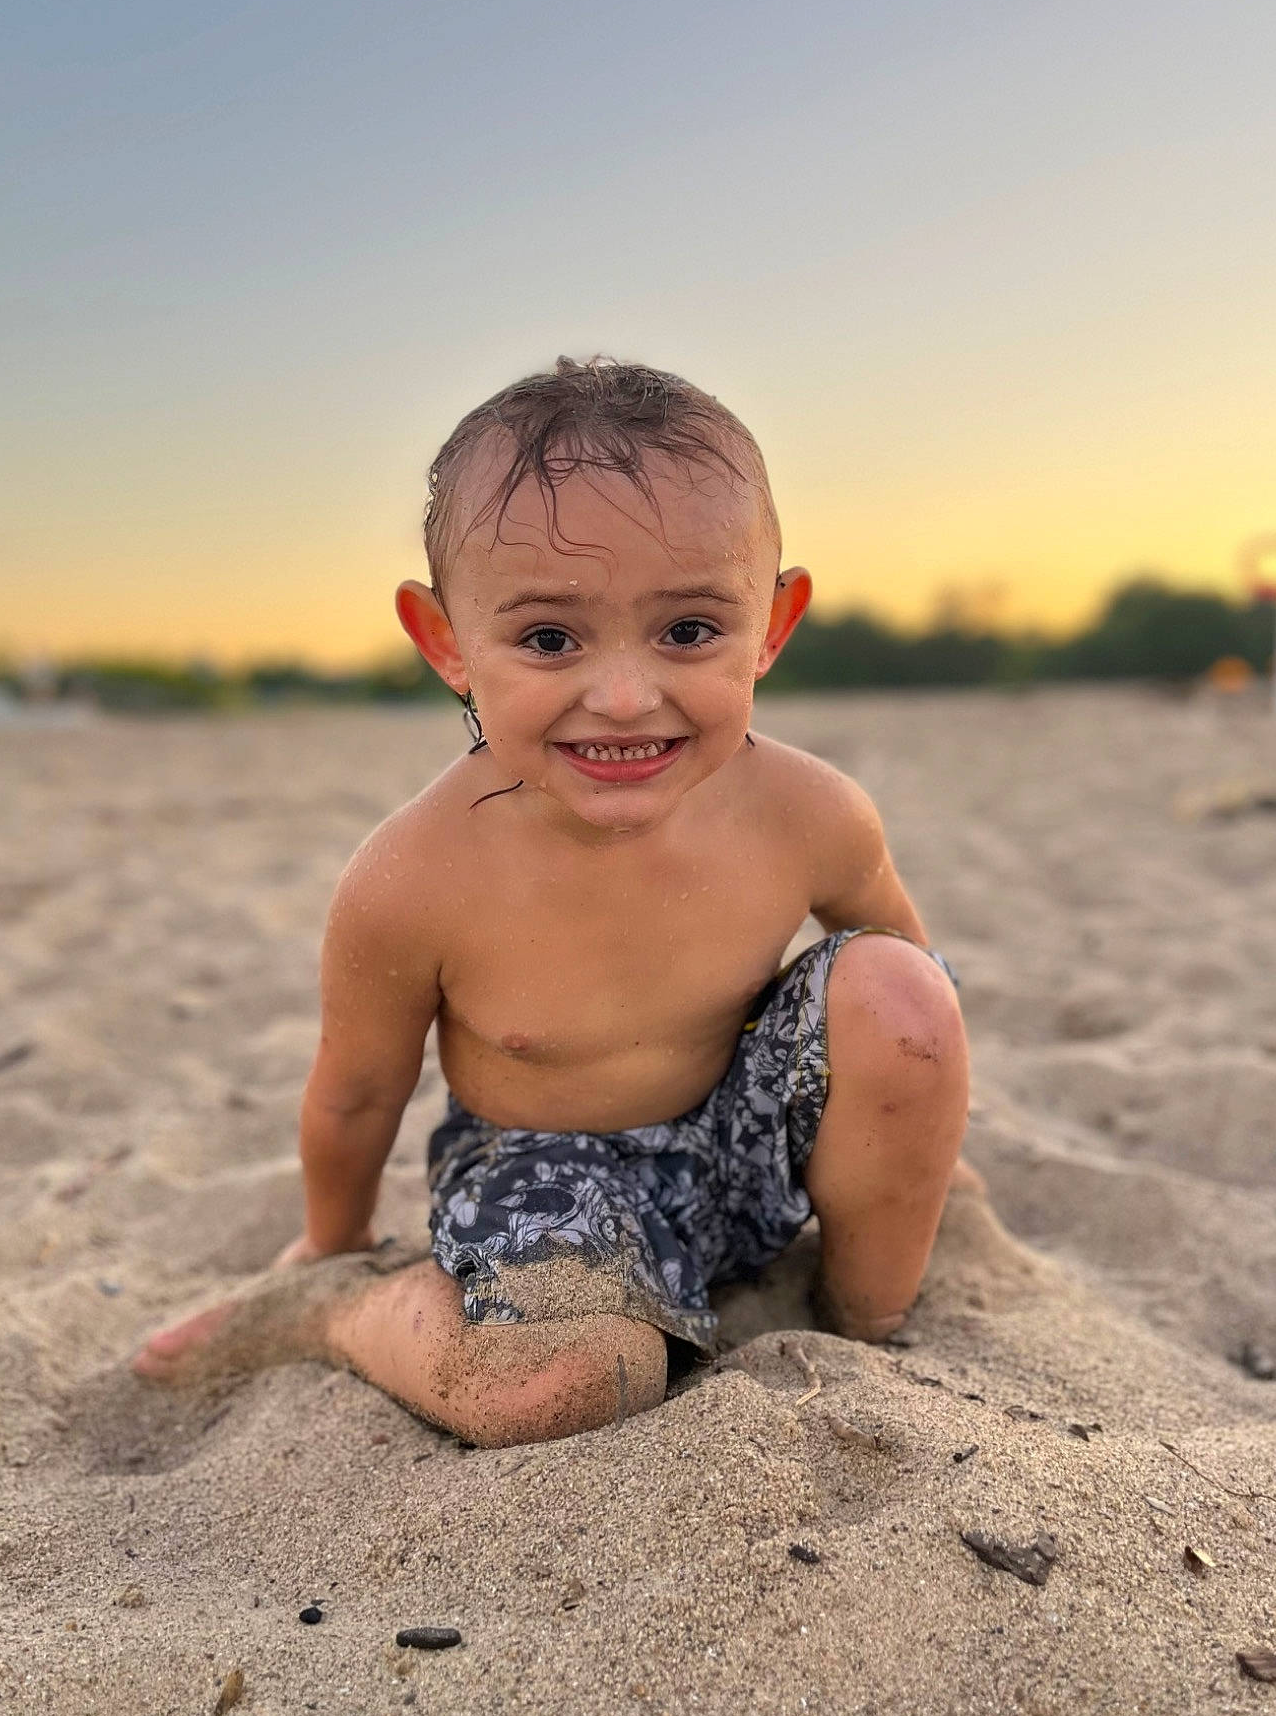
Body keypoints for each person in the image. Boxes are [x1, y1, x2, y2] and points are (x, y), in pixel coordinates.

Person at [133, 358, 971, 1445]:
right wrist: (329, 1243)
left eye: (688, 630)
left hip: (744, 1137)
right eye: (548, 639)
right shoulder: (413, 878)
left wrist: (919, 1151)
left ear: (773, 622)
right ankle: (336, 1313)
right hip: (545, 1169)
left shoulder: (810, 811)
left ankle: (858, 1317)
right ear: (446, 642)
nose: (622, 697)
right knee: (561, 1387)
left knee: (900, 990)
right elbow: (356, 1091)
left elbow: (908, 996)